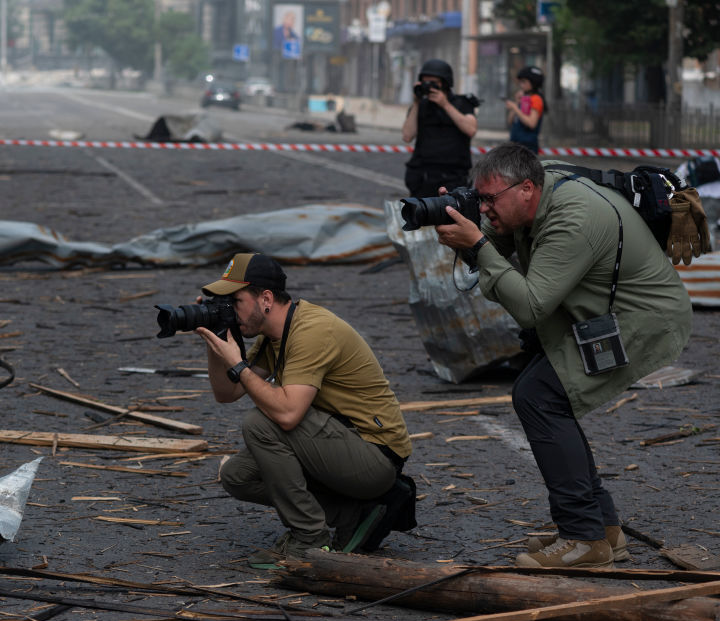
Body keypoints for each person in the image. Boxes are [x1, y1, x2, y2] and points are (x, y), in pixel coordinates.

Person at [433, 143, 692, 568]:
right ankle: (603, 530)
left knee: (539, 396)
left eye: (488, 199)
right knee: (543, 394)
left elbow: (532, 307)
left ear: (527, 188)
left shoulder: (573, 219)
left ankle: (584, 539)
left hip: (644, 320)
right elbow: (499, 247)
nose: (483, 207)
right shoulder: (534, 192)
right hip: (602, 314)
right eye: (477, 198)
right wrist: (462, 225)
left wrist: (478, 245)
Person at [194, 253, 415, 568]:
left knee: (260, 423)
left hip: (375, 456)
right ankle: (351, 514)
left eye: (235, 301)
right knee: (237, 476)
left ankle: (310, 538)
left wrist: (237, 363)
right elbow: (226, 392)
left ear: (265, 299)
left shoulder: (312, 330)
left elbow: (287, 414)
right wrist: (214, 339)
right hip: (340, 445)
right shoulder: (275, 336)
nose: (230, 310)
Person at [402, 59, 478, 198]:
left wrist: (445, 105)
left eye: (433, 83)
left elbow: (471, 129)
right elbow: (407, 136)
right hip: (423, 177)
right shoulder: (421, 106)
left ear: (445, 83)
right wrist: (416, 103)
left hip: (452, 177)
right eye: (425, 82)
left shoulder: (462, 103)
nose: (428, 86)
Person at [506, 65, 547, 154]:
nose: (521, 85)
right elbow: (510, 121)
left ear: (533, 83)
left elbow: (532, 123)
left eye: (524, 82)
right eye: (520, 82)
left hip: (527, 147)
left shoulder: (536, 99)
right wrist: (516, 102)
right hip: (515, 144)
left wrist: (515, 108)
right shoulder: (524, 99)